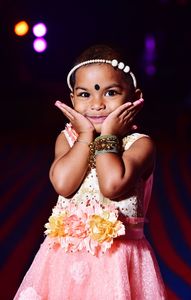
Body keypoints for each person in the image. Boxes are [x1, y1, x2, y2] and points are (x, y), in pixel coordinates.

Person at [14, 44, 166, 299]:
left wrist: (108, 136)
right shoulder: (69, 140)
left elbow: (112, 185)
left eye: (111, 93)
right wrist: (85, 136)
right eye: (85, 95)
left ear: (135, 97)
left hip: (118, 266)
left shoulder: (140, 144)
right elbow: (63, 183)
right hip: (63, 264)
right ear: (72, 99)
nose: (97, 104)